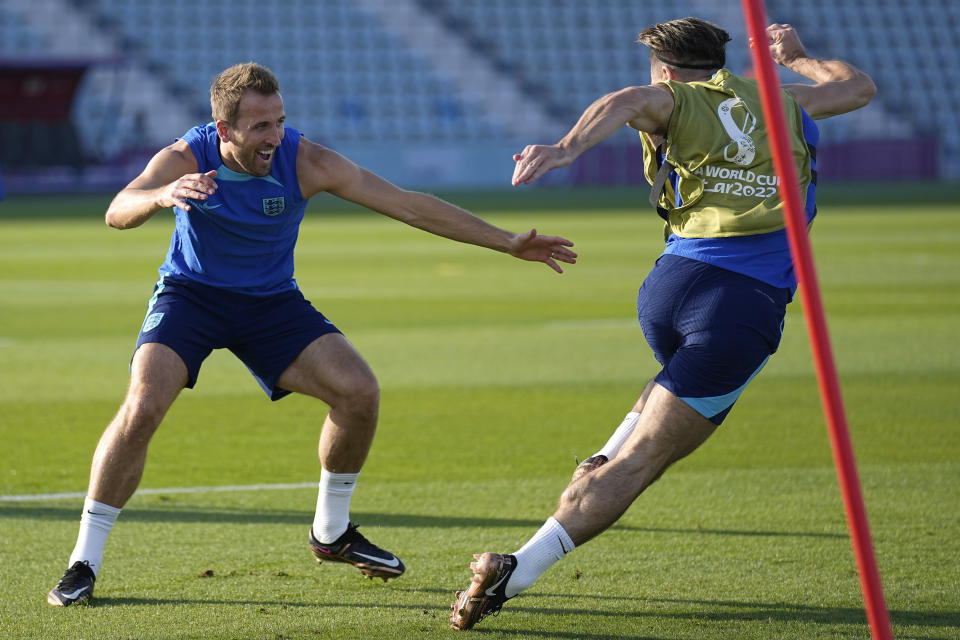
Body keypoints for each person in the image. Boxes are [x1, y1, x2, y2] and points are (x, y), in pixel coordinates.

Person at [46, 62, 577, 607]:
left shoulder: (305, 160)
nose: (274, 136)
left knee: (359, 393)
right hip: (191, 297)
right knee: (141, 408)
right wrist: (160, 196)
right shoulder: (187, 156)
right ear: (224, 130)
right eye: (259, 127)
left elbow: (408, 205)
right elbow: (118, 210)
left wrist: (506, 241)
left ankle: (331, 532)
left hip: (271, 303)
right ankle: (82, 563)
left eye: (279, 121)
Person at [450, 18, 875, 630]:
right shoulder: (781, 101)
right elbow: (856, 87)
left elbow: (626, 101)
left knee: (636, 434)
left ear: (667, 70)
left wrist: (566, 149)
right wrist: (796, 57)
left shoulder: (671, 98)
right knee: (645, 461)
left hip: (672, 286)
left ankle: (585, 476)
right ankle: (514, 572)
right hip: (739, 307)